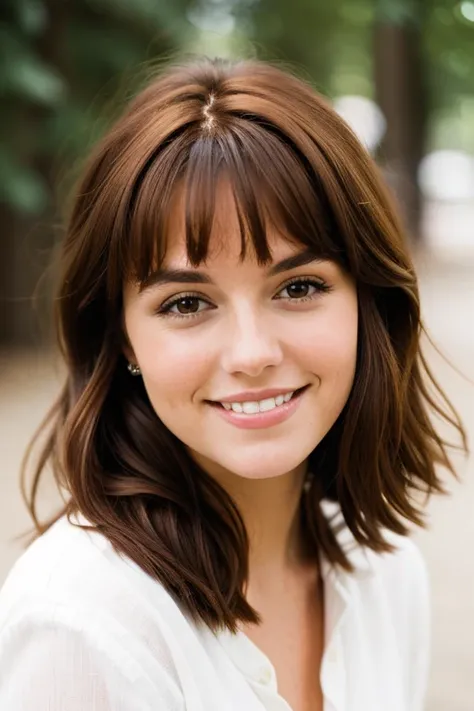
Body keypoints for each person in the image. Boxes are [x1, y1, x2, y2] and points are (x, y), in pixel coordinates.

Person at [0, 57, 466, 711]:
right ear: (122, 337)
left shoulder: (386, 574)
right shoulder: (84, 622)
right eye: (187, 303)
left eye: (298, 287)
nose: (251, 353)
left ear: (369, 303)